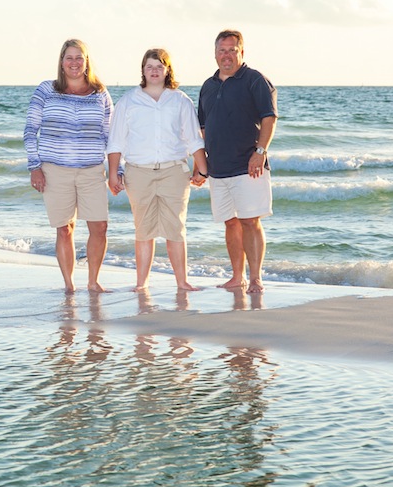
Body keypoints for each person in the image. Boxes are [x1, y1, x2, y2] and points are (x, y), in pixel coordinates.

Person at [107, 48, 209, 292]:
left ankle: (182, 283)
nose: (154, 71)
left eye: (159, 66)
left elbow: (193, 139)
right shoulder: (128, 101)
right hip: (138, 172)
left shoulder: (180, 100)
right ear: (142, 70)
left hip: (174, 172)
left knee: (176, 228)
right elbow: (116, 142)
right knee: (144, 230)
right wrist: (113, 174)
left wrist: (202, 170)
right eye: (149, 66)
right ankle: (141, 284)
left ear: (167, 70)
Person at [24, 39, 114, 293]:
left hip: (92, 170)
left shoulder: (100, 93)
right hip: (55, 169)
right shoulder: (46, 90)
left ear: (86, 63)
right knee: (65, 229)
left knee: (100, 226)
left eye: (79, 58)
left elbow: (111, 136)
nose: (74, 63)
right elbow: (31, 130)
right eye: (69, 58)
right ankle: (69, 285)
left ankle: (93, 281)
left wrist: (117, 169)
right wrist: (35, 166)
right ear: (61, 63)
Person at [198, 30, 278, 294]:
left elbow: (269, 118)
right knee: (230, 223)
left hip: (248, 166)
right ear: (214, 53)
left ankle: (255, 278)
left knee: (250, 221)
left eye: (232, 50)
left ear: (241, 52)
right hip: (218, 169)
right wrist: (202, 165)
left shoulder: (255, 80)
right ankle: (237, 276)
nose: (227, 55)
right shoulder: (208, 86)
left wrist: (260, 151)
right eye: (222, 50)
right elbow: (204, 127)